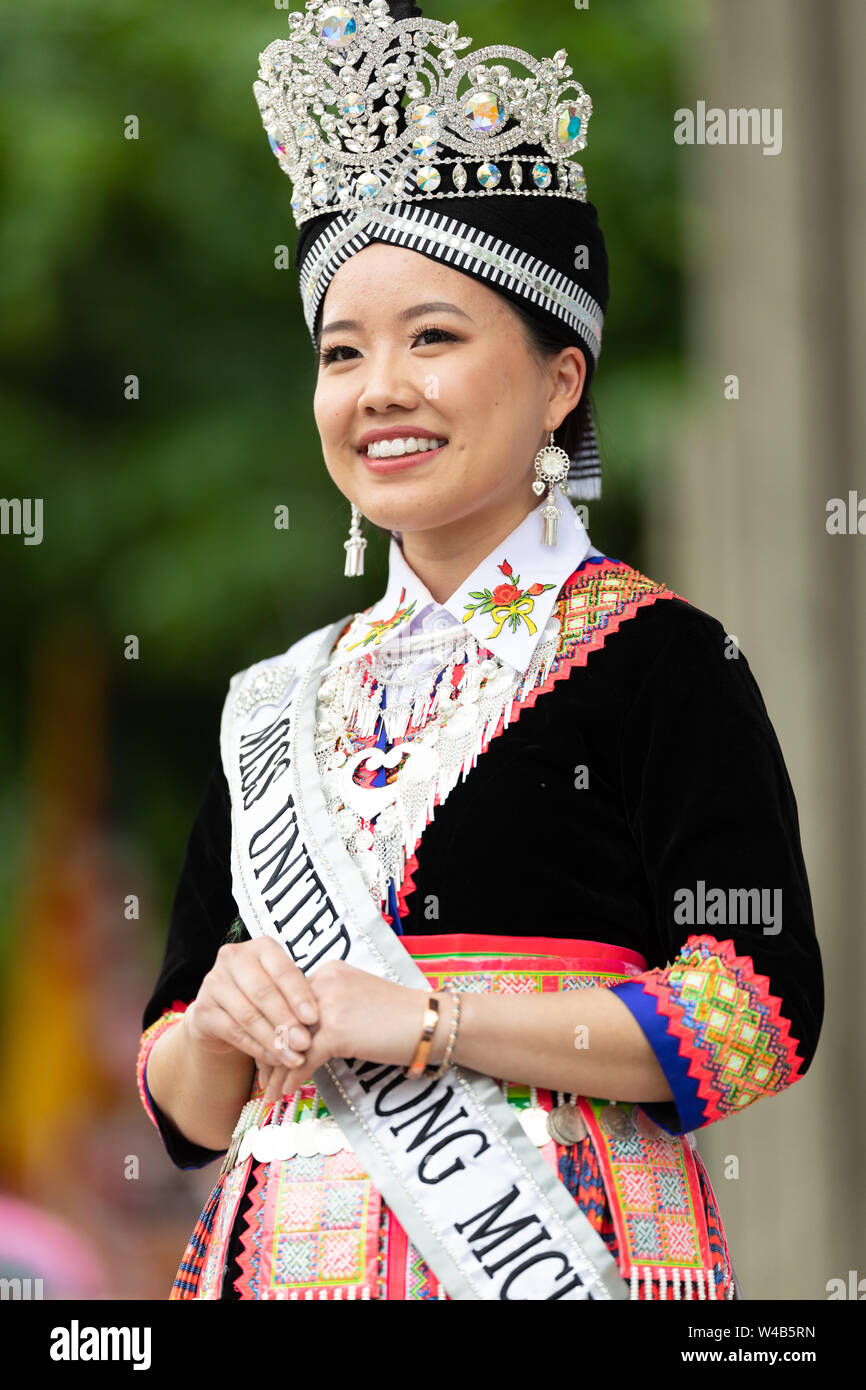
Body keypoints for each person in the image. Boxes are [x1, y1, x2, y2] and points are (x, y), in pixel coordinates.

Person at [136, 0, 823, 1302]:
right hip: (287, 1258)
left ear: (559, 381)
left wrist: (437, 1020)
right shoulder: (276, 704)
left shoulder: (662, 660)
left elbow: (756, 1013)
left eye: (432, 337)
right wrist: (224, 1019)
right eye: (342, 352)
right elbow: (184, 1105)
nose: (377, 386)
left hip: (557, 1249)